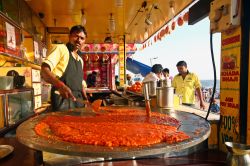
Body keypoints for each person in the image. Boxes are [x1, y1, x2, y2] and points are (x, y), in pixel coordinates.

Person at [41, 25, 88, 111]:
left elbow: (78, 80)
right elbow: (44, 71)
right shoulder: (60, 49)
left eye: (82, 38)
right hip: (62, 101)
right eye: (76, 36)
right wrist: (60, 85)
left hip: (78, 101)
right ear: (69, 36)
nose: (78, 40)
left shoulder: (80, 59)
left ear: (84, 41)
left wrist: (84, 93)